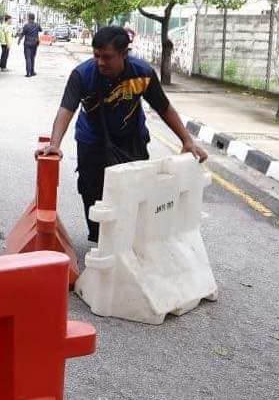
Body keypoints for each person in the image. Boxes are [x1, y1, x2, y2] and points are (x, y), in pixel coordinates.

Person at [37, 25, 207, 243]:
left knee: (134, 190)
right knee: (93, 190)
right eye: (96, 55)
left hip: (131, 140)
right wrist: (55, 143)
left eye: (107, 57)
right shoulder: (82, 74)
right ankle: (101, 241)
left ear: (124, 54)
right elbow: (66, 108)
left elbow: (164, 108)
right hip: (92, 141)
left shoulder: (143, 73)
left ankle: (127, 239)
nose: (100, 62)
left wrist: (187, 140)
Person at [16, 12, 43, 77]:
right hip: (35, 43)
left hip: (27, 43)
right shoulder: (37, 25)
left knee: (28, 58)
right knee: (32, 57)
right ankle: (32, 71)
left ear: (28, 18)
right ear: (34, 18)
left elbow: (22, 34)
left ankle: (28, 73)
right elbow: (41, 30)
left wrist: (19, 40)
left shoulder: (26, 25)